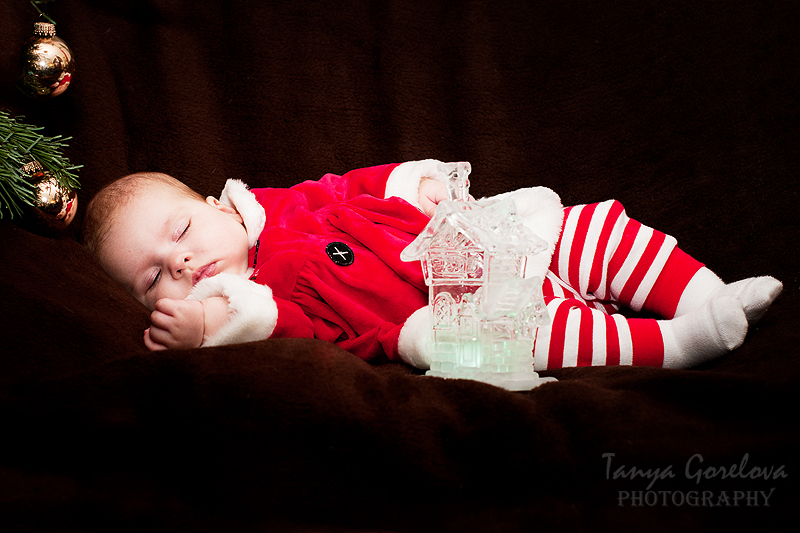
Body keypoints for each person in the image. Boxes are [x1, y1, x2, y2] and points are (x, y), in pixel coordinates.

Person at [81, 159, 783, 371]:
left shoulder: (286, 205)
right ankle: (678, 342)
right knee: (528, 336)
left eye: (181, 231)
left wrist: (410, 184)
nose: (181, 260)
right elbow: (298, 333)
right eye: (154, 277)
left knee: (589, 229)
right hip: (442, 317)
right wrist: (208, 327)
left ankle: (707, 294)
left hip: (471, 243)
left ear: (217, 205)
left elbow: (350, 184)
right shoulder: (262, 303)